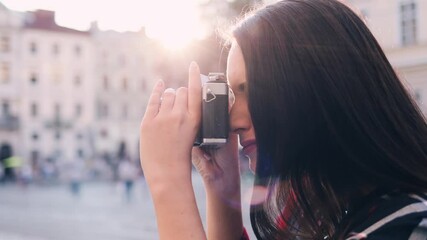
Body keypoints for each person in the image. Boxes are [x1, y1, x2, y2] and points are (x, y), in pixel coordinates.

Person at [139, 0, 427, 239]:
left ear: (319, 88)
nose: (234, 119)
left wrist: (168, 183)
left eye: (252, 90)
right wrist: (221, 185)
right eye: (231, 96)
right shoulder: (337, 214)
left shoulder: (407, 228)